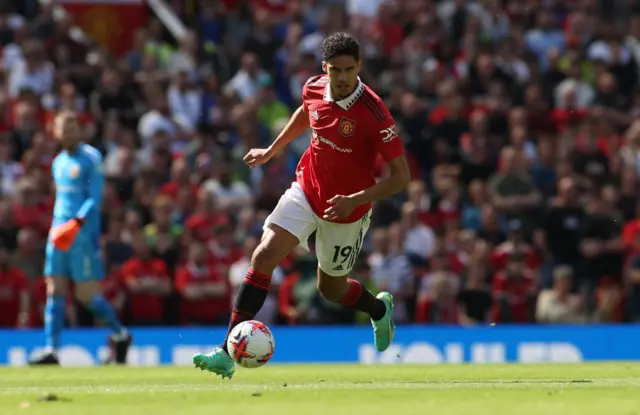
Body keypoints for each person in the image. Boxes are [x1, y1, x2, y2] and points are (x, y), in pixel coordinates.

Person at [193, 32, 410, 379]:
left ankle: (378, 308)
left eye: (349, 69)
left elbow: (401, 178)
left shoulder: (374, 112)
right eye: (335, 69)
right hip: (307, 190)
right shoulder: (313, 86)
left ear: (359, 67)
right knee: (263, 257)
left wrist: (354, 199)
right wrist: (272, 149)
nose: (342, 77)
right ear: (325, 67)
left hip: (347, 211)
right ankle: (225, 353)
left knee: (331, 290)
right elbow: (306, 112)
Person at [29, 111, 132, 366]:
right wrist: (57, 227)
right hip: (58, 232)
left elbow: (94, 199)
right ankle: (51, 349)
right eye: (65, 128)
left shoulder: (91, 158)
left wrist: (76, 224)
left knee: (86, 296)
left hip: (81, 235)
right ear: (55, 132)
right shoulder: (58, 162)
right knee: (55, 288)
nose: (70, 132)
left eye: (74, 127)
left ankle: (121, 334)